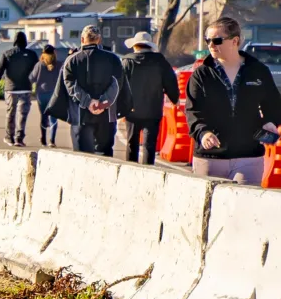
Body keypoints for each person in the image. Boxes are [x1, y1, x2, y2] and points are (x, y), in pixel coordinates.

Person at [186, 15, 281, 182]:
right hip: (209, 157)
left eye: (216, 40)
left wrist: (270, 122)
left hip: (249, 155)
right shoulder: (201, 74)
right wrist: (203, 133)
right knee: (208, 208)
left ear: (235, 41)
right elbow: (192, 110)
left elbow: (274, 105)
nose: (210, 45)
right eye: (208, 40)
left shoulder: (258, 71)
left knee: (244, 205)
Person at [57, 25, 124, 156]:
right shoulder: (113, 59)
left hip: (81, 114)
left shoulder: (72, 60)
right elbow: (117, 83)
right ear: (99, 40)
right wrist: (103, 102)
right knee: (104, 155)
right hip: (106, 115)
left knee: (83, 156)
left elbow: (70, 84)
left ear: (82, 39)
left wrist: (88, 102)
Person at [119, 31, 178, 165]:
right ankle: (148, 170)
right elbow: (170, 81)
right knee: (149, 145)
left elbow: (120, 86)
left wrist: (121, 108)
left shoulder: (127, 61)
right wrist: (174, 98)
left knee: (131, 143)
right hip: (153, 109)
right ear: (150, 46)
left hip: (132, 110)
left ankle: (131, 169)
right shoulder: (160, 61)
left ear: (135, 46)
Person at [0, 31, 40, 146]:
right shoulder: (32, 55)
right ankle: (19, 138)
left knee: (11, 113)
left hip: (10, 88)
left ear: (14, 41)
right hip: (26, 88)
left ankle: (9, 137)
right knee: (23, 114)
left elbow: (0, 71)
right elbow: (38, 70)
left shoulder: (8, 53)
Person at [33, 45, 63, 147]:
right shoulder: (59, 65)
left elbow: (32, 78)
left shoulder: (39, 65)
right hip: (54, 94)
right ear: (54, 53)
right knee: (53, 118)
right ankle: (52, 140)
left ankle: (43, 139)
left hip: (41, 94)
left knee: (43, 116)